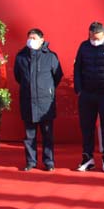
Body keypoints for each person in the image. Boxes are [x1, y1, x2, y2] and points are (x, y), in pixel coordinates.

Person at [74, 21, 104, 172]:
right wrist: (79, 89)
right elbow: (77, 68)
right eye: (91, 37)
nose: (94, 40)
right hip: (86, 94)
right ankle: (87, 158)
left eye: (97, 37)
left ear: (103, 34)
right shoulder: (84, 46)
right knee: (86, 127)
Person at [13, 28, 63, 172]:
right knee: (29, 136)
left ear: (42, 40)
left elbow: (57, 76)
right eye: (29, 38)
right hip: (28, 101)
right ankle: (30, 162)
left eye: (34, 38)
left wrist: (47, 89)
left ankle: (49, 162)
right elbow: (18, 76)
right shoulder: (21, 56)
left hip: (45, 102)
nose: (31, 41)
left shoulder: (51, 56)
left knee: (47, 135)